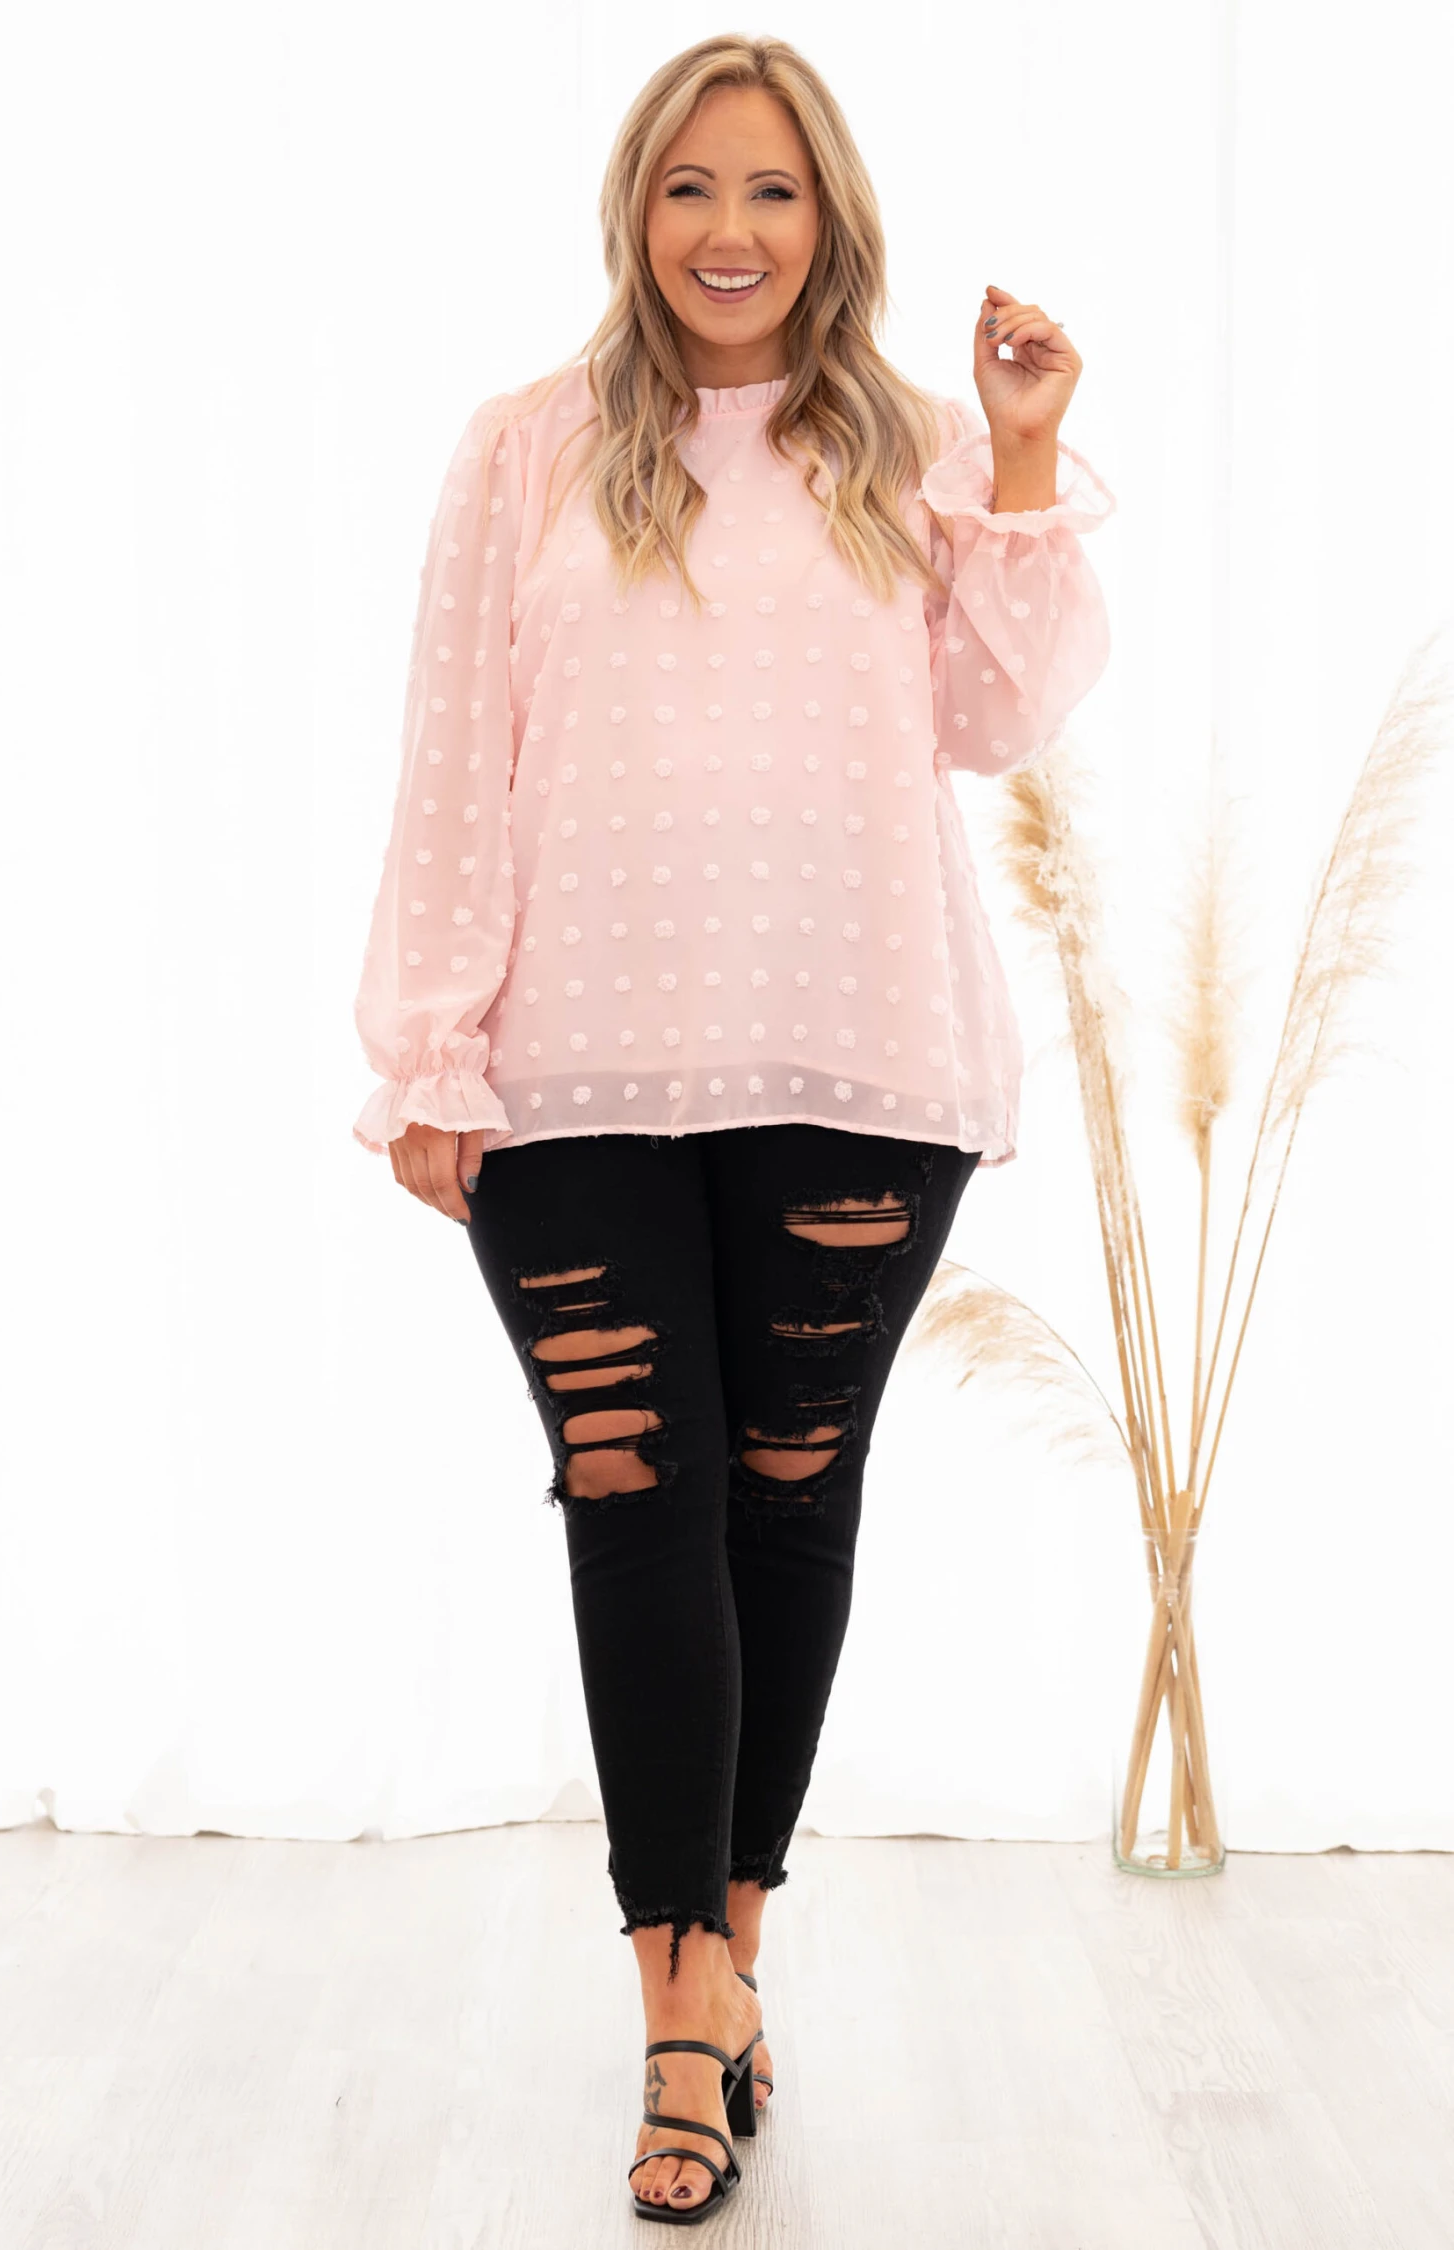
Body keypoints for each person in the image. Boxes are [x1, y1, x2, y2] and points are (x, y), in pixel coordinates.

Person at [350, 31, 1114, 2226]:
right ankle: (676, 1996)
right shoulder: (525, 450)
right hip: (570, 1078)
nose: (729, 230)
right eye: (691, 187)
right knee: (634, 1501)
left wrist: (1027, 452)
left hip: (856, 1061)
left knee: (787, 1509)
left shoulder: (916, 448)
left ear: (829, 217)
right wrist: (431, 1048)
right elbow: (452, 758)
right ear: (636, 210)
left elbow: (999, 717)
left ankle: (722, 1968)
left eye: (771, 190)